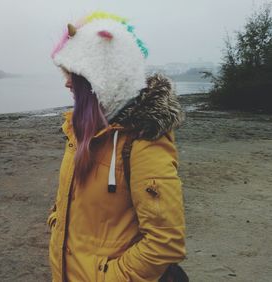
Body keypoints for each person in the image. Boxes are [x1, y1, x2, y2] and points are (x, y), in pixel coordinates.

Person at [47, 11, 187, 282]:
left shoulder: (144, 142)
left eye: (74, 74)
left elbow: (165, 243)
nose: (66, 82)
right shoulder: (80, 133)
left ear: (104, 79)